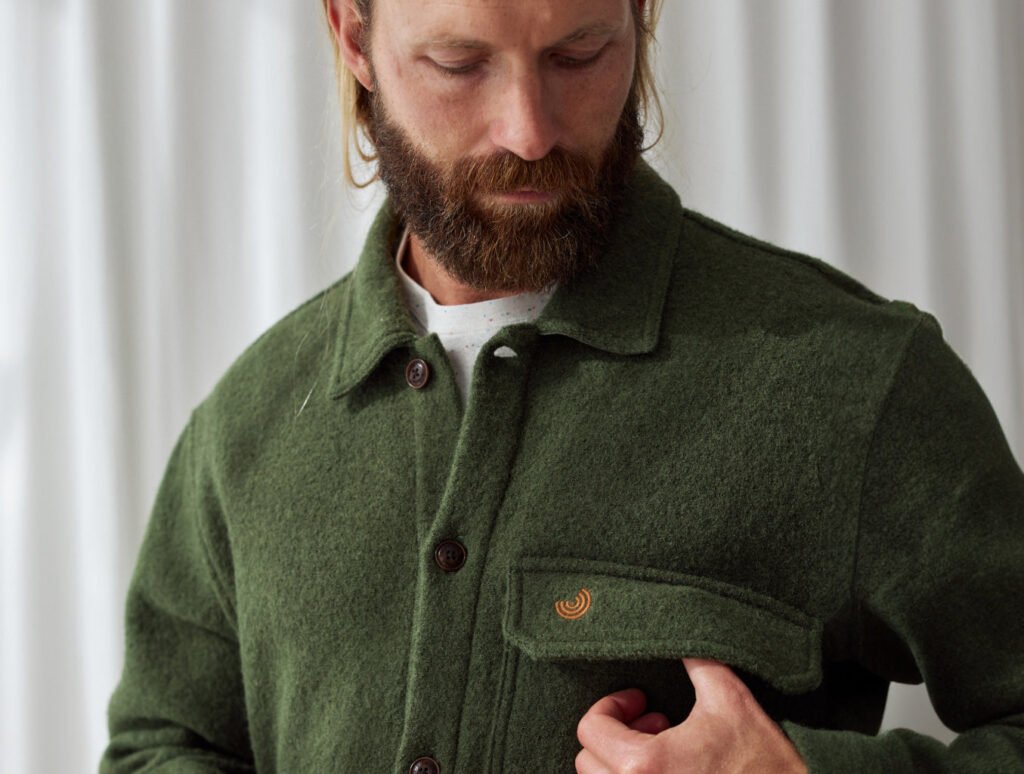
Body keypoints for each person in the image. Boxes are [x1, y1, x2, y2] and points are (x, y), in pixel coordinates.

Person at [101, 0, 1024, 772]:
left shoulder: (856, 381)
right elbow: (160, 747)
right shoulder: (248, 424)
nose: (529, 131)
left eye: (579, 55)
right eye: (459, 64)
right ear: (353, 36)